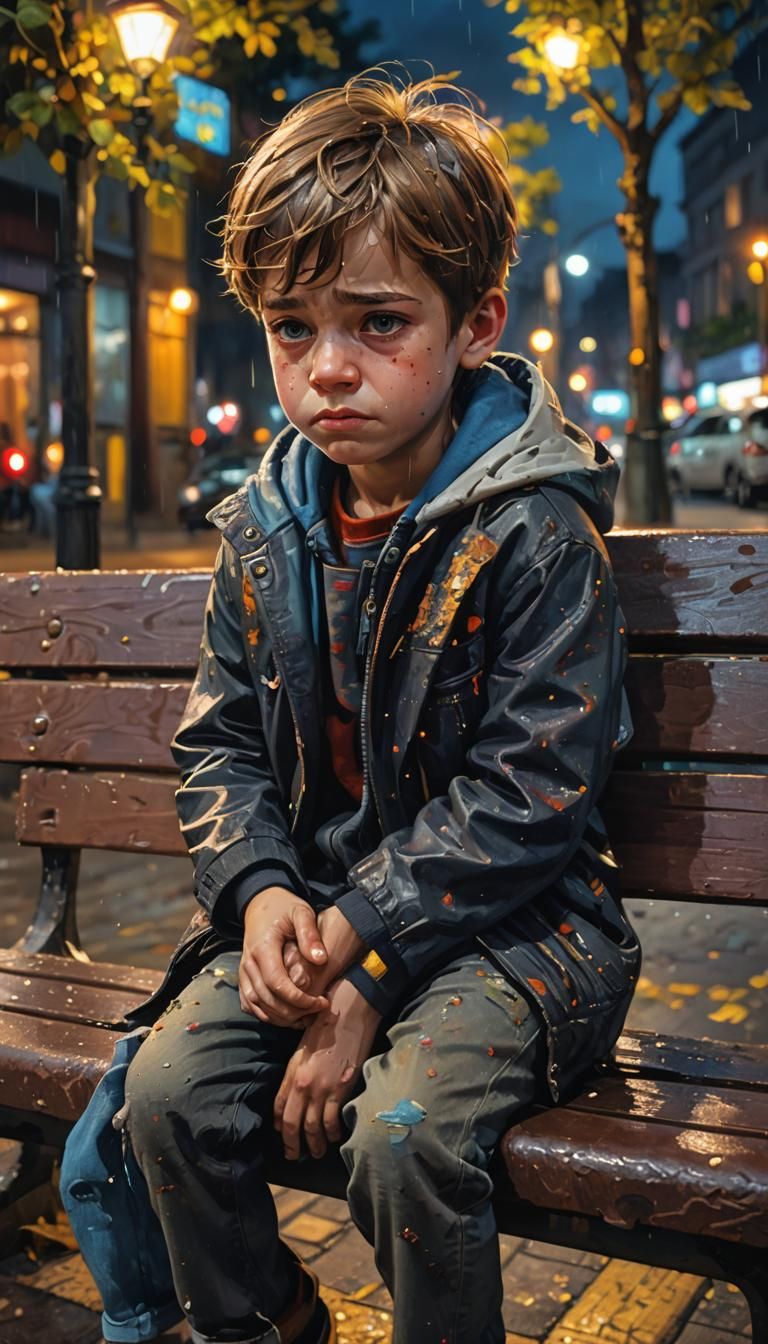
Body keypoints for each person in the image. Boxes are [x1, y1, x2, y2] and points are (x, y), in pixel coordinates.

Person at [62, 70, 641, 1344]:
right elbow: (218, 745)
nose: (327, 371)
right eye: (291, 328)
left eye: (379, 323)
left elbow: (530, 795)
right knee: (162, 1099)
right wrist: (263, 893)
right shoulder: (267, 530)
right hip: (316, 919)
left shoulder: (535, 534)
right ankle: (264, 1324)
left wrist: (365, 957)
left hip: (523, 937)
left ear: (475, 319)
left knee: (403, 1135)